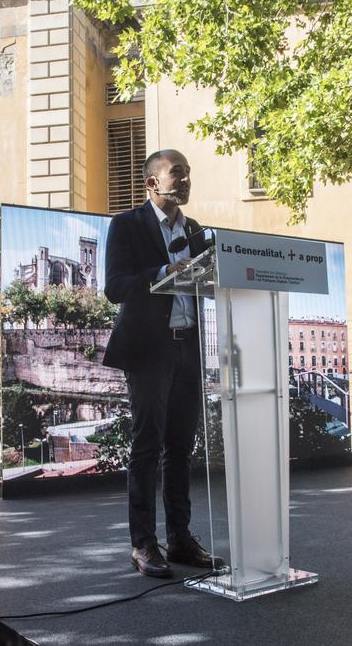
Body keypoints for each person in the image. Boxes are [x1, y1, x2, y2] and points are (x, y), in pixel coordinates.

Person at [103, 149, 220, 578]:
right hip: (149, 351)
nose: (185, 180)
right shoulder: (126, 225)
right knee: (147, 447)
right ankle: (143, 544)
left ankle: (181, 539)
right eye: (177, 173)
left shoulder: (195, 229)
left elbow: (210, 279)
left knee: (181, 448)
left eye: (188, 173)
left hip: (188, 348)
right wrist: (164, 270)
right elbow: (114, 288)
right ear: (152, 182)